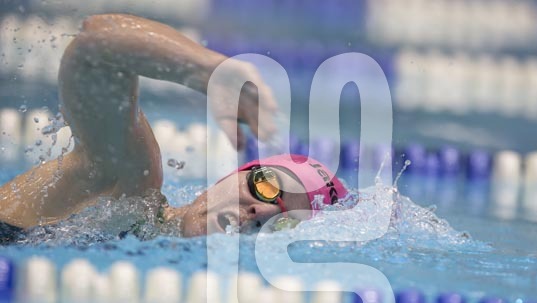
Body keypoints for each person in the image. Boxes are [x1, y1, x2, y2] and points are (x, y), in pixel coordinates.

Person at [0, 14, 348, 244]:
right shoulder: (127, 186)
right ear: (230, 176)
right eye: (267, 186)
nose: (265, 212)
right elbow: (95, 47)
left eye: (285, 222)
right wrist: (206, 71)